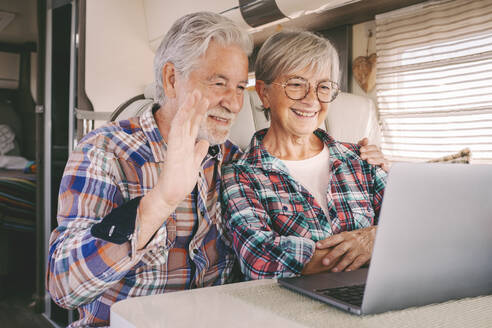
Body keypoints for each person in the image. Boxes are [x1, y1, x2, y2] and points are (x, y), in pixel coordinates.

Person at [47, 12, 386, 327]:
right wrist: (159, 202)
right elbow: (64, 287)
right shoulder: (105, 152)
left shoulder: (230, 158)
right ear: (171, 79)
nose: (234, 103)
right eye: (218, 83)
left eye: (239, 87)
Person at [221, 30, 388, 280]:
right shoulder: (240, 175)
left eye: (323, 87)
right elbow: (260, 259)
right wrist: (378, 243)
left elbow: (417, 226)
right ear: (264, 93)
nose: (312, 100)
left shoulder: (362, 160)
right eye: (297, 85)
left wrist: (376, 238)